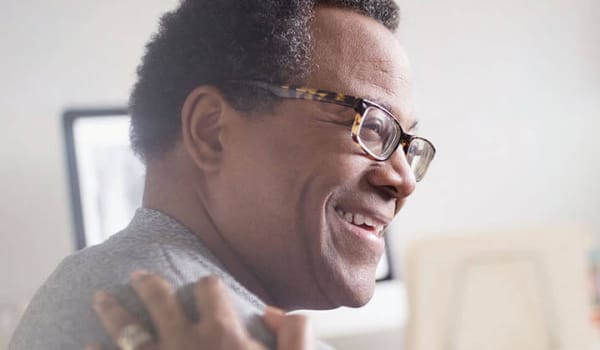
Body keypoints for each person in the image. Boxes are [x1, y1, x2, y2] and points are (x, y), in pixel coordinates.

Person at [9, 0, 435, 349]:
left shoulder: (91, 279)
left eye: (407, 144)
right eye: (372, 125)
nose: (403, 180)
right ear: (211, 131)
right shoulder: (178, 323)